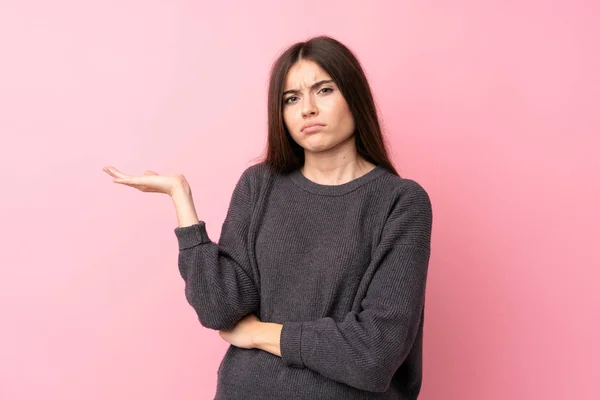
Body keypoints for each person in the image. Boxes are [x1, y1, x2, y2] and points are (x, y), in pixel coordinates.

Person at [103, 35, 433, 400]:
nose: (307, 109)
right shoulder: (260, 185)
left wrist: (261, 334)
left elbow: (374, 353)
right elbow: (220, 310)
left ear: (354, 97)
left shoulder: (401, 202)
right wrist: (182, 201)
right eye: (291, 98)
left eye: (323, 90)